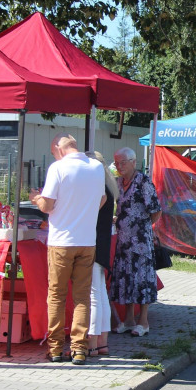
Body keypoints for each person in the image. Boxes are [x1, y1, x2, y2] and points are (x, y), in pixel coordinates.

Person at [29, 134, 106, 365]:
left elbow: (48, 204)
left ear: (58, 149)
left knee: (57, 296)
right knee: (82, 296)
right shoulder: (96, 167)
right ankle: (79, 349)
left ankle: (54, 349)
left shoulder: (57, 167)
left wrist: (36, 198)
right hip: (86, 240)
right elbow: (101, 199)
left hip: (61, 241)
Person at [110, 146, 161, 337]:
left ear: (133, 161)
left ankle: (144, 321)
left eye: (122, 162)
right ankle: (129, 319)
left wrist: (143, 227)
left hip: (140, 242)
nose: (119, 166)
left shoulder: (143, 182)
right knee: (126, 278)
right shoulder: (119, 183)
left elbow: (156, 210)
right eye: (116, 162)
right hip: (124, 241)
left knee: (142, 279)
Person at [87, 151, 119, 357]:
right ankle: (101, 342)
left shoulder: (98, 188)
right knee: (99, 294)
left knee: (94, 295)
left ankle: (91, 343)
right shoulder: (107, 185)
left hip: (93, 244)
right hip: (102, 244)